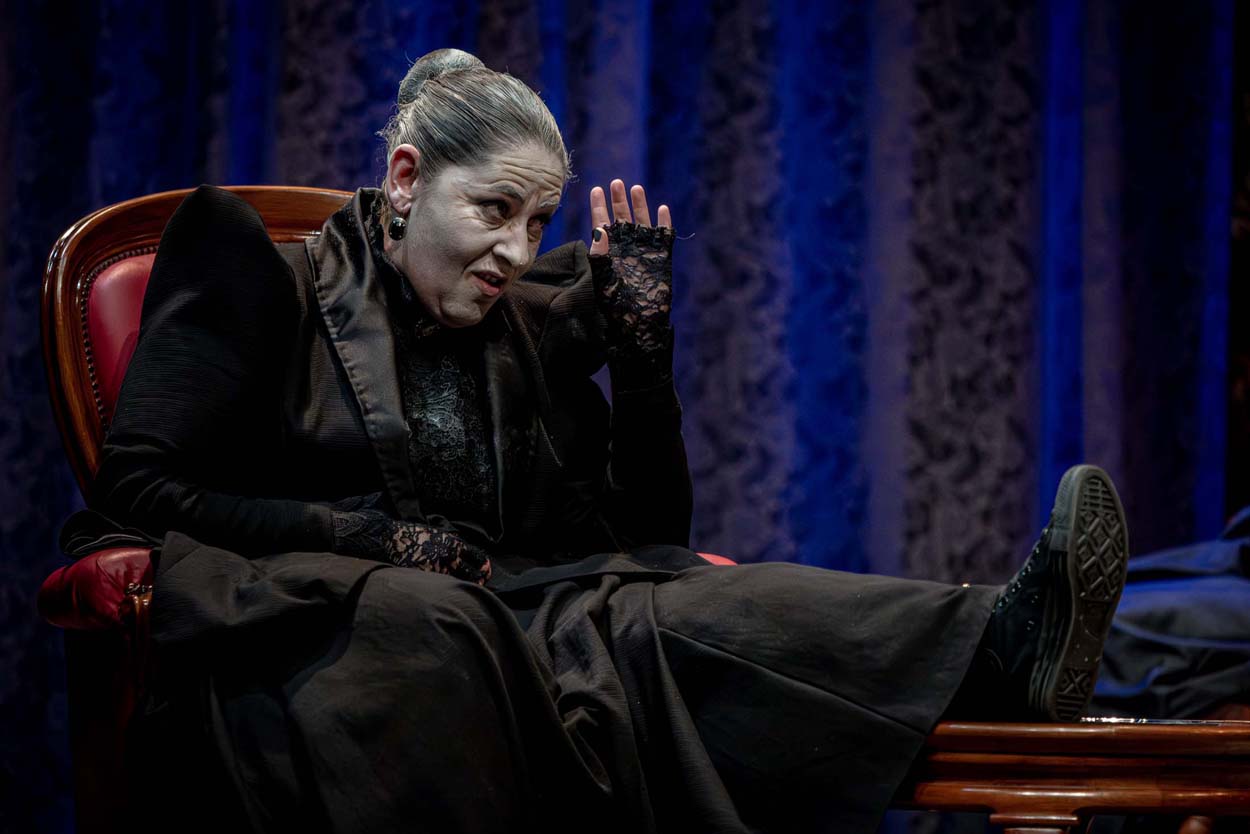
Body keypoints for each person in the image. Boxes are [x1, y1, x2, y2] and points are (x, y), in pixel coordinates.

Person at [75, 48, 1131, 834]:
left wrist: (640, 360)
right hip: (322, 626)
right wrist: (365, 539)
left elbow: (644, 539)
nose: (514, 250)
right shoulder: (257, 271)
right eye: (493, 210)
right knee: (433, 617)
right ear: (404, 179)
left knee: (699, 604)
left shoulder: (515, 324)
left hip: (522, 612)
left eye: (536, 223)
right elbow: (138, 488)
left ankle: (1001, 649)